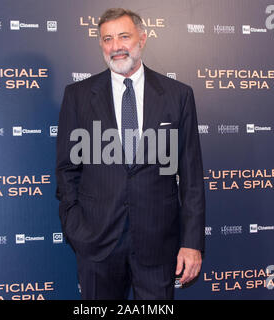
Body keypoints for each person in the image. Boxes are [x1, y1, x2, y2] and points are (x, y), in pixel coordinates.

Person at [56, 8, 205, 300]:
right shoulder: (78, 96)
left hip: (158, 243)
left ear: (143, 39)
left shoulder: (178, 95)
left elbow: (191, 176)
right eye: (107, 39)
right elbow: (67, 170)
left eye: (124, 36)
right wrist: (76, 227)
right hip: (96, 243)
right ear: (101, 44)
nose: (116, 46)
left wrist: (191, 242)